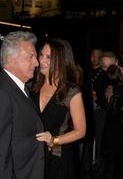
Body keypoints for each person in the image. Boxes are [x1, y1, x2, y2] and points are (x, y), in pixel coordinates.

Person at [0, 31, 44, 179]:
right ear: (11, 58)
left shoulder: (19, 87)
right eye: (31, 56)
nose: (37, 63)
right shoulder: (0, 93)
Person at [33, 38, 86, 179]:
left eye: (49, 57)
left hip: (57, 157)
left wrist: (54, 140)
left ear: (62, 61)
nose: (42, 60)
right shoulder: (33, 86)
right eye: (41, 55)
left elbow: (81, 131)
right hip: (34, 155)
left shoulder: (71, 91)